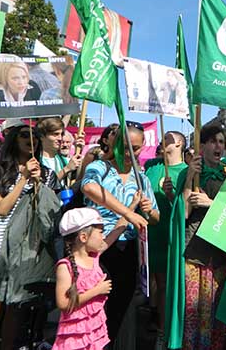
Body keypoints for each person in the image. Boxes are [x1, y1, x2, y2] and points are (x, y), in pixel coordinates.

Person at [81, 121, 157, 347]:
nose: (128, 153)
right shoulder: (100, 167)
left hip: (129, 248)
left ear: (143, 146)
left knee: (123, 308)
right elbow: (89, 188)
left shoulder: (141, 178)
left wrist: (147, 210)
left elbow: (155, 217)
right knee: (95, 305)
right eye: (124, 146)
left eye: (134, 148)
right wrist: (128, 212)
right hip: (98, 247)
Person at [0, 124, 61, 348]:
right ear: (14, 139)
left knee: (16, 306)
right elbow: (2, 209)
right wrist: (23, 179)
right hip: (0, 243)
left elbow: (50, 213)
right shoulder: (0, 169)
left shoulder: (48, 174)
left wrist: (38, 183)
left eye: (35, 136)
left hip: (27, 248)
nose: (31, 139)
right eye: (25, 135)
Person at [177, 124, 226, 349]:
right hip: (194, 252)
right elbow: (183, 214)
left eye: (222, 142)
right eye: (213, 141)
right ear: (202, 146)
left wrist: (211, 203)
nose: (219, 146)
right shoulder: (189, 173)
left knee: (216, 315)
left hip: (219, 254)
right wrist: (189, 179)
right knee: (192, 313)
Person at [53, 207, 129, 350]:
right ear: (83, 237)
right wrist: (97, 290)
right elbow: (63, 303)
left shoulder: (94, 257)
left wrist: (129, 210)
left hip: (96, 334)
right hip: (75, 338)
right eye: (100, 232)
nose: (103, 236)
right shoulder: (65, 267)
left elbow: (115, 232)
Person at [144, 131, 186, 349]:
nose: (163, 139)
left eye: (168, 138)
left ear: (179, 143)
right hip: (149, 236)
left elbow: (187, 210)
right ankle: (158, 329)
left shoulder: (187, 172)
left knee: (169, 286)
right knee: (153, 286)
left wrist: (171, 197)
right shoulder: (151, 165)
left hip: (171, 237)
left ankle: (170, 332)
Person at [37, 118, 83, 184]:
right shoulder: (36, 160)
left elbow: (75, 178)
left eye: (61, 134)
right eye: (55, 134)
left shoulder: (62, 160)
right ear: (42, 136)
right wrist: (66, 169)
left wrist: (78, 150)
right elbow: (45, 186)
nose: (60, 138)